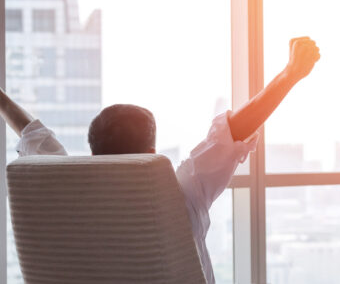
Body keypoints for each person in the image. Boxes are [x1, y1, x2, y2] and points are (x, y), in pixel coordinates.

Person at [1, 37, 320, 283]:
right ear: (151, 153)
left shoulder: (62, 193)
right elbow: (233, 133)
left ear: (94, 153)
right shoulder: (179, 193)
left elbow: (32, 135)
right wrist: (290, 75)